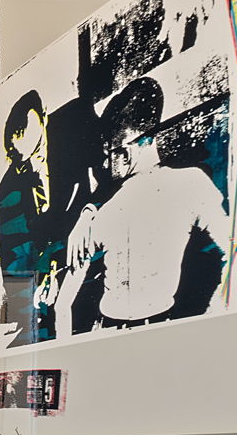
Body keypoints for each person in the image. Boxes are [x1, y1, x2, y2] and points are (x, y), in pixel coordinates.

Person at [66, 76, 227, 328]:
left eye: (108, 154)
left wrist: (214, 314)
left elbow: (233, 249)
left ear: (126, 152)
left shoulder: (187, 183)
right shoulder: (111, 203)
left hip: (152, 324)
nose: (105, 165)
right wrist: (87, 212)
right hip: (112, 326)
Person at [0, 90, 96, 345]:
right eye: (15, 138)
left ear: (43, 119)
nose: (21, 138)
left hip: (90, 260)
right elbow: (16, 263)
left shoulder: (73, 137)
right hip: (47, 288)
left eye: (26, 129)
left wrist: (89, 211)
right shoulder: (8, 193)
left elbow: (105, 180)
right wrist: (45, 282)